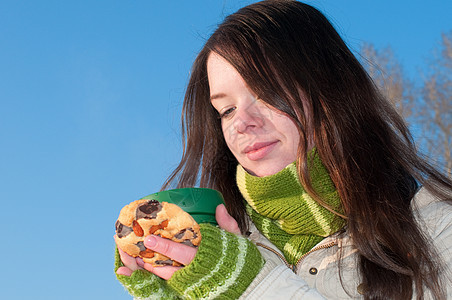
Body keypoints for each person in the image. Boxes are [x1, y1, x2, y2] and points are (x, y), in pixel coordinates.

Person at [114, 0, 452, 299]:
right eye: (226, 110)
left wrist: (250, 287)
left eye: (266, 92)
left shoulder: (438, 228)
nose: (241, 122)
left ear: (329, 89)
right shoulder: (220, 244)